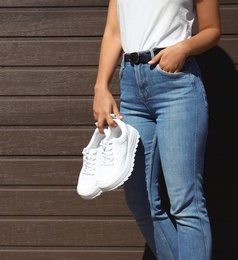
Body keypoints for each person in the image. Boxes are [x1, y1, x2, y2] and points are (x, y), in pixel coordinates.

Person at [92, 0, 221, 259]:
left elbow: (212, 29)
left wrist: (184, 47)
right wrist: (100, 87)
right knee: (141, 201)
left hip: (176, 85)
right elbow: (114, 31)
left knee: (185, 203)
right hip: (131, 87)